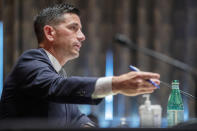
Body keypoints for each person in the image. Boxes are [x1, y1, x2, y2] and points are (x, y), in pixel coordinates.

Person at [0, 3, 160, 128]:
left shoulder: (57, 75)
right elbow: (57, 88)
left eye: (81, 30)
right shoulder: (30, 61)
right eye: (73, 28)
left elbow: (76, 117)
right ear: (50, 33)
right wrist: (116, 84)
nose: (82, 37)